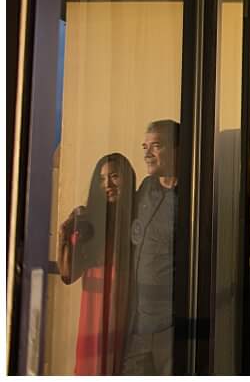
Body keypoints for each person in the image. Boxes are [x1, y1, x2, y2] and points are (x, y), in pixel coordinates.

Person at [58, 153, 135, 375]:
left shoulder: (137, 216)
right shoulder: (89, 221)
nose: (108, 184)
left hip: (127, 313)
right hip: (94, 315)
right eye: (101, 179)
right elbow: (68, 275)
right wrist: (64, 234)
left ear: (126, 179)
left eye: (114, 177)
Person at [121, 122, 180, 376]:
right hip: (137, 326)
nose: (146, 154)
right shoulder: (145, 189)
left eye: (155, 146)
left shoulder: (191, 198)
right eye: (145, 147)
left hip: (170, 328)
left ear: (178, 149)